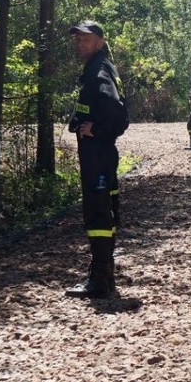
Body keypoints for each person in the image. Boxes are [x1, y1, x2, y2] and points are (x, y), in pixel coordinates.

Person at [65, 20, 130, 299]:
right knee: (104, 208)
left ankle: (100, 280)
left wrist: (97, 129)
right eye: (78, 40)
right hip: (100, 151)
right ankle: (105, 275)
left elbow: (117, 111)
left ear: (101, 43)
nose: (81, 44)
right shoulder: (101, 67)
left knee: (98, 210)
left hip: (98, 152)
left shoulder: (99, 70)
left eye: (87, 39)